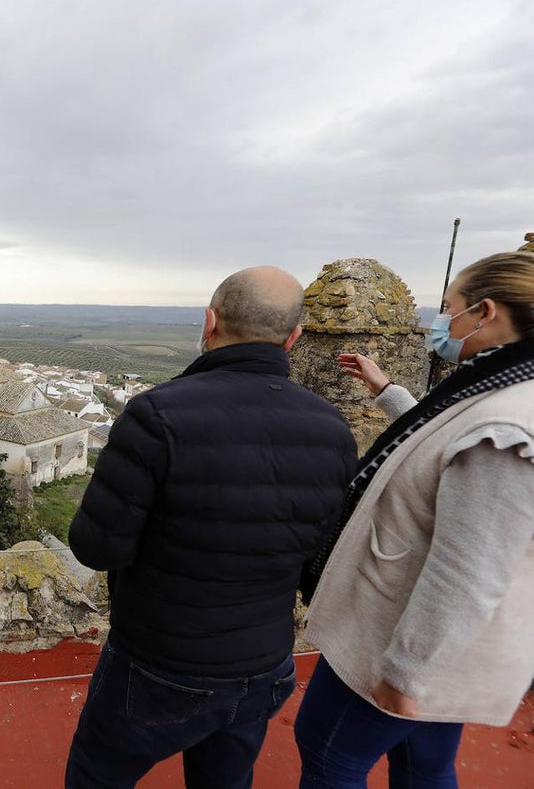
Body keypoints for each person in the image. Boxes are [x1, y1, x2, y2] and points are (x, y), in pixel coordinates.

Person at [65, 266, 358, 789]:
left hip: (160, 662)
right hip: (264, 663)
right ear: (293, 338)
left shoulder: (157, 414)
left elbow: (95, 546)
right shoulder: (331, 428)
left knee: (97, 776)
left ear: (209, 322)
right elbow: (320, 554)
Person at [296, 251, 534, 788]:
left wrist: (407, 672)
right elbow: (440, 440)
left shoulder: (508, 427)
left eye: (449, 308)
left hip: (401, 637)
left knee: (329, 753)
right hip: (441, 641)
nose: (440, 322)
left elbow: (470, 568)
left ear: (485, 313)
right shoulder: (501, 387)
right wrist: (387, 391)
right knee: (421, 763)